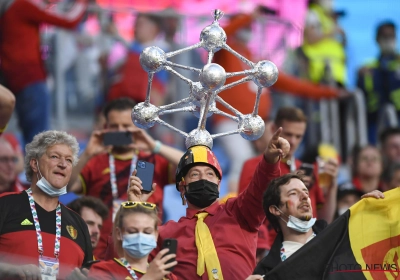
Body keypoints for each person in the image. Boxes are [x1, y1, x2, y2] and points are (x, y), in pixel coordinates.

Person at [125, 128, 290, 279]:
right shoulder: (165, 233)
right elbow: (131, 261)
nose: (203, 178)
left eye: (210, 174)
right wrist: (135, 208)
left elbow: (260, 187)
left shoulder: (239, 211)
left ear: (219, 184)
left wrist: (270, 158)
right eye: (195, 174)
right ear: (182, 187)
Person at [212, 7, 345, 193]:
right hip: (229, 121)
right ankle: (234, 203)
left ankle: (269, 198)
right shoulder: (223, 53)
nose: (249, 28)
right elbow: (221, 35)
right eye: (247, 25)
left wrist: (330, 93)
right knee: (242, 159)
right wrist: (250, 15)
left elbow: (293, 85)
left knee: (275, 157)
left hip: (258, 125)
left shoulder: (254, 60)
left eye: (251, 26)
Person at [68, 98, 183, 259]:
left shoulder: (153, 159)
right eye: (114, 127)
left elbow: (190, 164)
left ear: (138, 127)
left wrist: (154, 146)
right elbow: (66, 186)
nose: (121, 131)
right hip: (102, 255)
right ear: (106, 128)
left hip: (147, 255)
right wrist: (87, 153)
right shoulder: (94, 161)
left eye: (126, 126)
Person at [239, 107, 338, 248]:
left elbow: (323, 220)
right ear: (273, 128)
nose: (293, 141)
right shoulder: (253, 166)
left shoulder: (307, 170)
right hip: (271, 250)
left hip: (308, 248)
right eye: (288, 134)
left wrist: (333, 186)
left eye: (299, 136)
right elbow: (246, 214)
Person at [0, 130, 92, 279]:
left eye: (69, 160)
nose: (63, 164)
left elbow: (87, 273)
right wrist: (9, 270)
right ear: (35, 164)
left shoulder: (79, 224)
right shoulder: (5, 205)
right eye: (55, 157)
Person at [0, 0, 87, 146]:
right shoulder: (21, 6)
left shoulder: (11, 7)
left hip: (17, 80)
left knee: (31, 140)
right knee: (38, 142)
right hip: (30, 79)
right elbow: (69, 20)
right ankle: (35, 169)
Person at [248, 173, 328, 277]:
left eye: (306, 192)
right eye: (293, 193)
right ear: (276, 210)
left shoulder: (337, 236)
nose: (304, 196)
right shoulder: (267, 271)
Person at [88, 201, 177, 279]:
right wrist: (149, 278)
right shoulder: (102, 270)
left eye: (147, 231)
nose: (140, 237)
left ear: (156, 235)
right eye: (132, 231)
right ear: (119, 233)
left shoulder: (167, 276)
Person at [357, 21, 400, 144]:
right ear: (377, 39)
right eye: (384, 36)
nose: (388, 40)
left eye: (391, 36)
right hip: (375, 121)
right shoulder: (367, 68)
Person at [302, 0, 347, 85]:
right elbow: (311, 38)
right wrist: (331, 33)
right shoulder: (313, 13)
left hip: (335, 76)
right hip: (319, 74)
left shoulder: (326, 17)